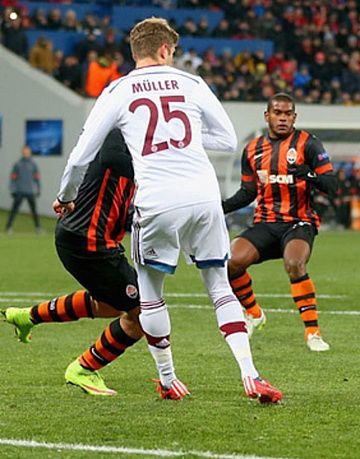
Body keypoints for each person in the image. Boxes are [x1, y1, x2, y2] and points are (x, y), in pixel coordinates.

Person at [53, 17, 281, 404]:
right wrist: (185, 136)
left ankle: (168, 379)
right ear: (164, 49)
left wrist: (67, 194)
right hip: (205, 195)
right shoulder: (192, 83)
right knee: (219, 285)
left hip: (159, 201)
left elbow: (80, 157)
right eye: (172, 51)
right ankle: (251, 375)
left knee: (151, 294)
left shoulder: (118, 89)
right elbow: (226, 139)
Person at [2, 130, 142, 396]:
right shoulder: (119, 135)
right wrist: (153, 166)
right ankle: (84, 369)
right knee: (143, 314)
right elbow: (112, 156)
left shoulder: (133, 157)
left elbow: (122, 215)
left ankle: (28, 316)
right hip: (88, 241)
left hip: (87, 239)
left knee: (112, 305)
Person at [222, 93, 337, 351]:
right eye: (277, 113)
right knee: (229, 262)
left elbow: (332, 185)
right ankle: (253, 313)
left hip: (299, 222)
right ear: (267, 116)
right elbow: (248, 192)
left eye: (288, 114)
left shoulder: (309, 144)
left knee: (294, 263)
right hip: (266, 223)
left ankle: (313, 333)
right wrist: (222, 207)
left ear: (294, 117)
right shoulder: (252, 149)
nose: (283, 118)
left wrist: (309, 175)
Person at [6, 146, 42, 234]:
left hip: (30, 191)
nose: (26, 153)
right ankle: (8, 227)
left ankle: (38, 228)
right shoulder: (17, 164)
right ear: (22, 152)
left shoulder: (33, 164)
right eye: (24, 152)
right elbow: (13, 178)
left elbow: (37, 178)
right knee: (14, 210)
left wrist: (38, 189)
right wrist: (12, 189)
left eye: (27, 152)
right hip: (19, 191)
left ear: (30, 153)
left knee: (34, 211)